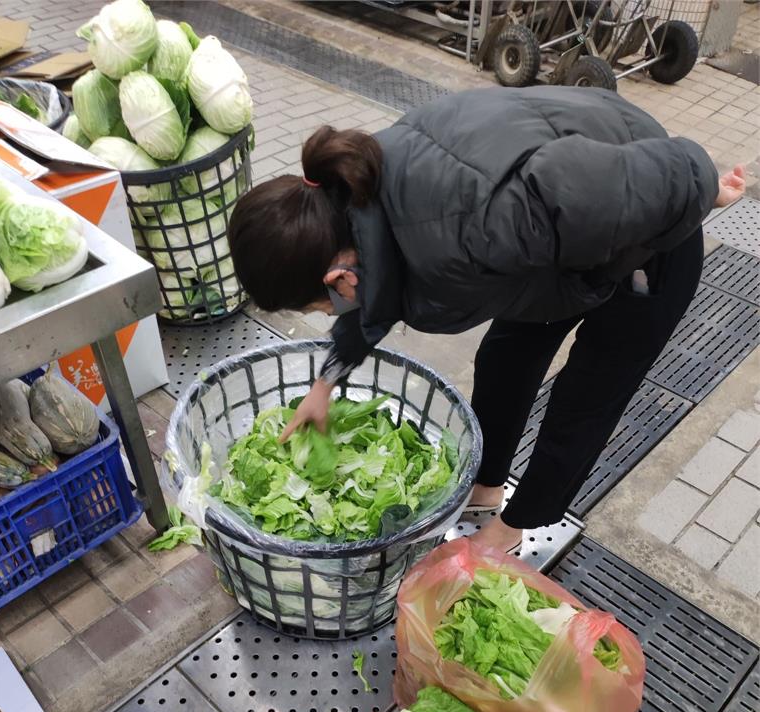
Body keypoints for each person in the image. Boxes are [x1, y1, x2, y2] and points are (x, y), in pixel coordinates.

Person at [228, 86, 745, 553]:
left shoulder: (481, 225)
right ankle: (486, 487)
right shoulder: (354, 191)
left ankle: (517, 525)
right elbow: (381, 281)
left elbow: (615, 186)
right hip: (550, 257)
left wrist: (703, 185)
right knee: (503, 361)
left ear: (337, 277)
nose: (331, 313)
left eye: (319, 307)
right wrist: (327, 381)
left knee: (584, 398)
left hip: (649, 235)